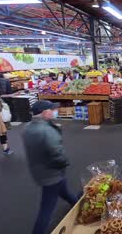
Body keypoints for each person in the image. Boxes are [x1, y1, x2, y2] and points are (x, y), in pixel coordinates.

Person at [22, 100, 78, 234]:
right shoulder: (47, 131)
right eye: (52, 110)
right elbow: (57, 153)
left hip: (39, 171)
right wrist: (65, 162)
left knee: (64, 190)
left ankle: (76, 204)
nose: (55, 111)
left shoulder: (27, 128)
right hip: (52, 174)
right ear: (45, 112)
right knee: (46, 209)